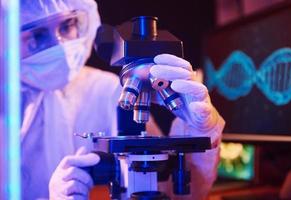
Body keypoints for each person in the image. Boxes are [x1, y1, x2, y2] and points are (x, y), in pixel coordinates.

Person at [20, 0, 225, 199]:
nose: (60, 45)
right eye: (38, 34)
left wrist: (198, 128)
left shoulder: (107, 89)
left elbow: (173, 193)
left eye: (67, 25)